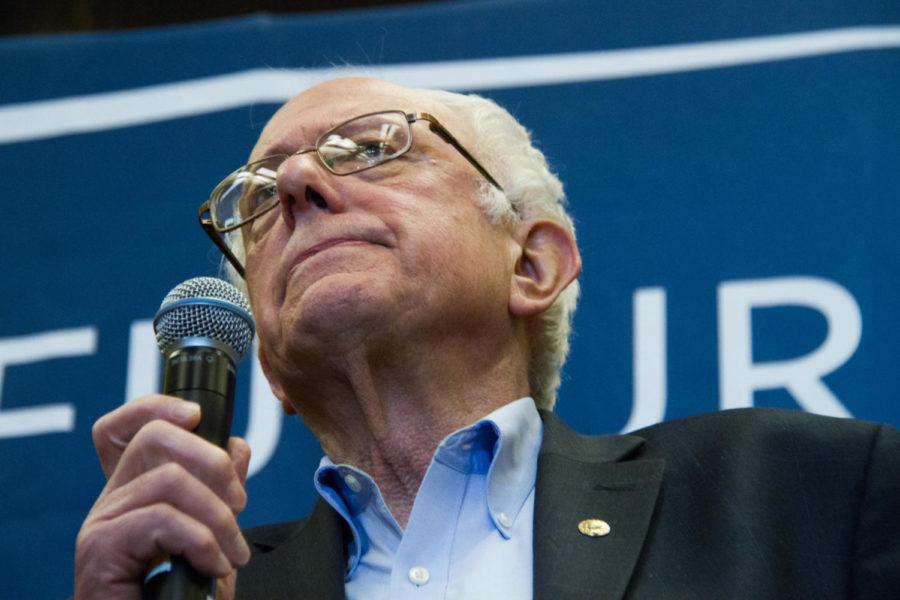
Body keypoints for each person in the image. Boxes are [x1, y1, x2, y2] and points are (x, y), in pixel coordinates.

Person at [75, 78, 899, 600]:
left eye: (370, 147)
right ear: (273, 372)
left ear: (534, 264)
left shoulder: (800, 497)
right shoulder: (200, 584)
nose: (292, 184)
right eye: (254, 198)